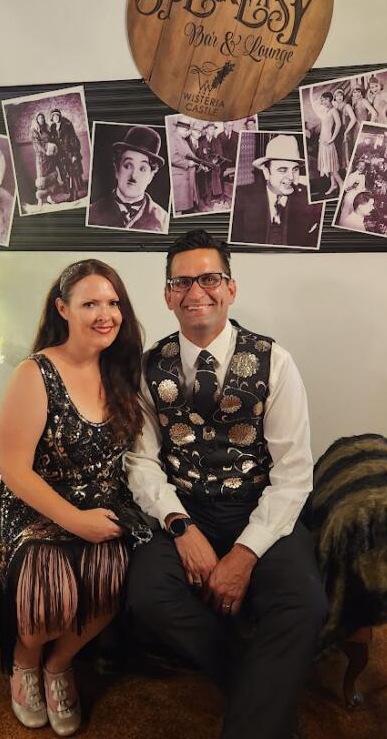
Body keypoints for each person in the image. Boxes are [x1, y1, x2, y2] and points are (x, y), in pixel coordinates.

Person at [125, 229, 328, 739]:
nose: (196, 291)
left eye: (209, 278)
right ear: (168, 295)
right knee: (147, 596)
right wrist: (180, 525)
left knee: (305, 604)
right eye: (181, 282)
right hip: (183, 504)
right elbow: (141, 461)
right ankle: (262, 686)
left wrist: (245, 552)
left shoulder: (275, 361)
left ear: (231, 289)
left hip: (257, 505)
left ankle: (252, 716)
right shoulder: (146, 367)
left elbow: (293, 473)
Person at [0, 259, 151, 736]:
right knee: (47, 580)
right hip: (30, 500)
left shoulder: (121, 369)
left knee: (116, 570)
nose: (105, 314)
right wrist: (76, 521)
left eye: (113, 303)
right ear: (62, 309)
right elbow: (14, 470)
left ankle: (59, 664)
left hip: (102, 497)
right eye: (90, 303)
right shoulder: (36, 372)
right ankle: (25, 659)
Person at [230, 134, 321, 248]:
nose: (291, 177)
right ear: (266, 172)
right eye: (282, 170)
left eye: (295, 169)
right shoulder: (241, 198)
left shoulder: (310, 199)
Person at [88, 126, 168, 233]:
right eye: (128, 166)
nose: (133, 175)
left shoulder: (164, 221)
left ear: (151, 176)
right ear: (116, 169)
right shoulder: (91, 213)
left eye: (142, 169)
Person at [310, 90, 344, 196]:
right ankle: (333, 185)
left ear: (330, 99)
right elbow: (324, 126)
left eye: (325, 99)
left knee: (333, 168)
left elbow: (338, 125)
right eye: (322, 100)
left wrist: (332, 139)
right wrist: (320, 138)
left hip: (328, 141)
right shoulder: (325, 111)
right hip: (322, 140)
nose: (323, 102)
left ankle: (342, 184)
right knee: (328, 166)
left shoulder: (334, 111)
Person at [49, 109, 85, 201]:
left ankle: (75, 194)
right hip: (60, 155)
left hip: (69, 153)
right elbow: (52, 141)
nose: (56, 118)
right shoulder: (53, 128)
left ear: (59, 116)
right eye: (54, 116)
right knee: (65, 175)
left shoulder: (67, 125)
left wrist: (74, 154)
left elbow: (74, 139)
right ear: (52, 118)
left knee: (73, 174)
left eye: (57, 116)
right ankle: (70, 194)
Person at [169, 119, 199, 215]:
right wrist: (188, 163)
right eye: (186, 130)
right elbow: (172, 157)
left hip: (187, 178)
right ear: (180, 128)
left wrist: (201, 164)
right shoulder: (171, 138)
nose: (187, 133)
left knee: (186, 207)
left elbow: (192, 156)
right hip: (179, 178)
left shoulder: (183, 141)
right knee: (178, 208)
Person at [31, 113, 59, 207]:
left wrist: (52, 148)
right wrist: (45, 151)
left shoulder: (46, 129)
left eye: (42, 118)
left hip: (50, 157)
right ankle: (40, 200)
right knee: (41, 179)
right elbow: (37, 144)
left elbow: (50, 140)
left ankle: (49, 197)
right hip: (41, 158)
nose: (41, 119)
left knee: (50, 177)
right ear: (36, 120)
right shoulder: (34, 131)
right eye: (39, 118)